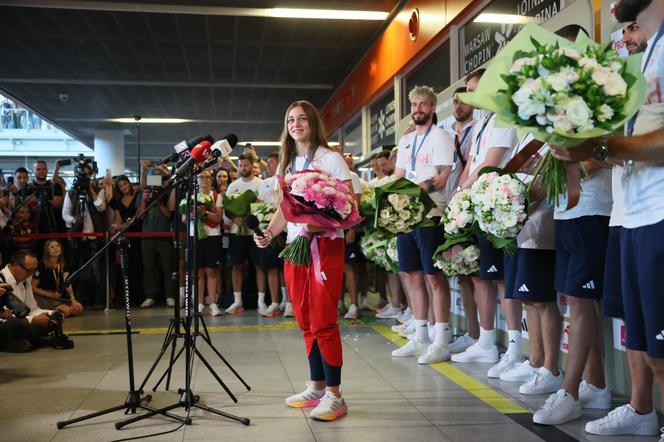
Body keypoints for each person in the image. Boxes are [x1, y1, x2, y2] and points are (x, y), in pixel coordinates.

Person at [551, 4, 663, 436]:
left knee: (658, 340)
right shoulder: (637, 69)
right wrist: (585, 149)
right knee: (635, 330)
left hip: (656, 210)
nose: (627, 35)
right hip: (627, 212)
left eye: (632, 25)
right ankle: (640, 410)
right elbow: (618, 149)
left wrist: (599, 148)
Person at [531, 25, 614, 426]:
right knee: (579, 302)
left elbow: (607, 148)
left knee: (581, 304)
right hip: (567, 212)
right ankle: (595, 386)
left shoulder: (599, 95)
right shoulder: (557, 100)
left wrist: (578, 167)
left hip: (593, 210)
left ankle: (569, 390)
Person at [254, 100, 351, 421]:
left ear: (313, 123)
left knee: (324, 319)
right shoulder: (287, 162)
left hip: (325, 247)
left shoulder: (330, 158)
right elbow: (284, 209)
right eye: (290, 119)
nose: (295, 124)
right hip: (296, 248)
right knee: (305, 319)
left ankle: (335, 396)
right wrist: (268, 232)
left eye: (301, 119)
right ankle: (317, 385)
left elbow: (351, 205)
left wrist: (321, 223)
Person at [453, 69, 522, 374]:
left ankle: (516, 349)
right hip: (480, 204)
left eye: (476, 89)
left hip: (499, 205)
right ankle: (486, 341)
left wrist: (465, 190)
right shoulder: (482, 121)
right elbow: (471, 161)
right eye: (468, 90)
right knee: (486, 277)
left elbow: (491, 162)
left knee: (505, 279)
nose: (472, 96)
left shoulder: (504, 117)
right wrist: (461, 192)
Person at [390, 85, 455, 365]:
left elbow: (441, 178)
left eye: (423, 104)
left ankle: (441, 341)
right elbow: (399, 174)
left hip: (431, 213)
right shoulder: (405, 142)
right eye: (414, 104)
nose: (417, 109)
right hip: (406, 216)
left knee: (434, 278)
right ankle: (420, 336)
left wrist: (412, 192)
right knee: (412, 275)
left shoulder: (440, 136)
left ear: (432, 108)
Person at [443, 87, 480, 355]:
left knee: (477, 273)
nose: (458, 104)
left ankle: (482, 336)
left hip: (472, 205)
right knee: (463, 273)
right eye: (454, 101)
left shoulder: (477, 129)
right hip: (453, 207)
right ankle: (471, 332)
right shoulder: (446, 135)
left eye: (463, 100)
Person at [62, 161, 108, 308]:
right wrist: (75, 220)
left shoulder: (96, 190)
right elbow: (65, 214)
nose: (85, 177)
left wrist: (91, 190)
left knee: (95, 270)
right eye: (83, 175)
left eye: (87, 174)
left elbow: (101, 207)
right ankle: (84, 299)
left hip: (93, 238)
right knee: (81, 270)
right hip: (78, 238)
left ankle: (98, 300)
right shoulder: (72, 192)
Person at [224, 154, 263, 314]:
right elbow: (227, 209)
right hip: (237, 233)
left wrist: (253, 218)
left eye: (245, 165)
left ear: (252, 166)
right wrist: (234, 218)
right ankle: (237, 301)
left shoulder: (261, 184)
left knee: (260, 266)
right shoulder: (233, 185)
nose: (242, 168)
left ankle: (261, 302)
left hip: (255, 232)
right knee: (236, 266)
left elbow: (264, 206)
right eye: (240, 165)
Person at [255, 152, 289, 317]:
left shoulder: (288, 180)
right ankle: (275, 302)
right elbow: (259, 207)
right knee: (271, 268)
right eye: (267, 163)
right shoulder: (265, 183)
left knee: (286, 268)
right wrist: (264, 218)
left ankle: (288, 301)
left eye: (271, 163)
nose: (268, 166)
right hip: (269, 229)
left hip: (287, 230)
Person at [138, 161, 176, 308]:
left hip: (164, 235)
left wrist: (159, 202)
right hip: (146, 236)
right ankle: (149, 296)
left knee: (167, 267)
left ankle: (169, 295)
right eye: (152, 178)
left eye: (158, 178)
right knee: (148, 268)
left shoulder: (166, 193)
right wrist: (144, 199)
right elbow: (140, 216)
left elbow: (168, 214)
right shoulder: (144, 193)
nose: (155, 181)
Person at [191, 170, 223, 316]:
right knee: (198, 272)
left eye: (207, 177)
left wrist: (205, 212)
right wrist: (193, 212)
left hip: (213, 235)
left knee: (211, 270)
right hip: (195, 236)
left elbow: (218, 219)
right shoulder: (191, 197)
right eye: (201, 177)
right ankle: (199, 304)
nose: (204, 180)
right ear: (196, 180)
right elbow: (185, 219)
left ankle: (213, 304)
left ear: (212, 180)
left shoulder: (217, 196)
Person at [31, 239, 83, 318]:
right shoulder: (41, 266)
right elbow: (33, 287)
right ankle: (57, 314)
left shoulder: (63, 264)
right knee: (66, 309)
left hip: (58, 297)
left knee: (79, 309)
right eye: (52, 247)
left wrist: (73, 299)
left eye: (58, 246)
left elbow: (67, 283)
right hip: (44, 297)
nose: (56, 248)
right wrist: (51, 295)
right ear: (47, 251)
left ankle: (57, 313)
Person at [30, 160, 65, 234]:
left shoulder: (56, 186)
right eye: (38, 169)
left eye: (43, 169)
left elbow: (57, 204)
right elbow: (31, 207)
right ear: (33, 171)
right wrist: (48, 201)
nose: (41, 171)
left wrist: (37, 200)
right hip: (34, 228)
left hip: (55, 226)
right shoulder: (28, 187)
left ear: (47, 170)